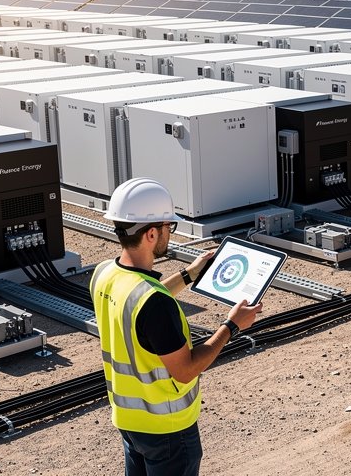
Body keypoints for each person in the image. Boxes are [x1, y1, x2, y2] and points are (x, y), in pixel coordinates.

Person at [91, 177, 262, 476]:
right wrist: (232, 325)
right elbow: (185, 370)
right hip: (168, 430)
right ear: (152, 233)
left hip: (130, 422)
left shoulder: (104, 274)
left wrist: (189, 274)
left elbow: (140, 304)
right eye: (170, 227)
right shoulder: (154, 302)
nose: (171, 233)